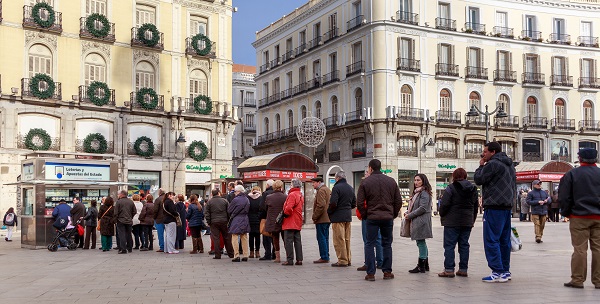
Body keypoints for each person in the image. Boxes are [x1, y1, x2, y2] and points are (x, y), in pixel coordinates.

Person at [474, 141, 516, 283]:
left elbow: (478, 179)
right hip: (506, 206)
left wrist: (480, 166)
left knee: (491, 239)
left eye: (485, 152)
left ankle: (497, 271)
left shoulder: (493, 164)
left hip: (494, 205)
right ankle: (505, 270)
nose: (483, 154)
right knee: (504, 240)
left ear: (493, 152)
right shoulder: (509, 165)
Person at [559, 148, 600, 289]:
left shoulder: (571, 174)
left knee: (579, 249)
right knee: (598, 249)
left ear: (580, 158)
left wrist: (566, 212)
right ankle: (598, 280)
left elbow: (564, 197)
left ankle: (577, 279)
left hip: (579, 216)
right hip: (599, 217)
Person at [357, 158, 402, 281]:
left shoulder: (365, 182)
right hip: (387, 217)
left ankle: (371, 273)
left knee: (369, 243)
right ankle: (387, 272)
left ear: (370, 168)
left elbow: (360, 202)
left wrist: (365, 214)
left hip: (372, 217)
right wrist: (392, 213)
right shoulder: (391, 181)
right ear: (380, 167)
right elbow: (398, 201)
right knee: (387, 244)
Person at [437, 168, 478, 278]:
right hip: (467, 221)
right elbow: (475, 206)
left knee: (449, 246)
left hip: (452, 221)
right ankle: (463, 269)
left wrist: (442, 214)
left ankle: (449, 269)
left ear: (454, 177)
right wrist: (472, 220)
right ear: (465, 176)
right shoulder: (473, 189)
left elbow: (444, 204)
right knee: (464, 245)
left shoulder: (451, 188)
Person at [405, 173, 434, 274]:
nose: (416, 182)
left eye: (418, 180)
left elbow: (423, 208)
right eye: (415, 180)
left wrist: (410, 215)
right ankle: (425, 265)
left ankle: (421, 266)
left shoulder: (424, 193)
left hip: (421, 221)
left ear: (423, 181)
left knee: (420, 242)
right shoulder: (418, 192)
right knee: (421, 242)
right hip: (418, 220)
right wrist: (408, 212)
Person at [328, 171, 356, 267]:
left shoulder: (336, 188)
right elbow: (354, 203)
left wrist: (329, 212)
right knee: (347, 239)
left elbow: (333, 203)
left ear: (337, 178)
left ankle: (342, 260)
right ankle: (348, 259)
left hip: (338, 217)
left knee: (339, 239)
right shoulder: (350, 188)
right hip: (348, 216)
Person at [281, 178, 304, 266]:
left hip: (290, 220)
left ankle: (289, 259)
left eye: (291, 184)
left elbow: (288, 208)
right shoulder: (300, 194)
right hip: (298, 220)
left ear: (293, 185)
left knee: (289, 241)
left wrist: (286, 214)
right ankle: (299, 259)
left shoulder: (292, 194)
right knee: (297, 240)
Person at [205, 188, 234, 259]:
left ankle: (217, 254)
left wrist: (209, 222)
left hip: (214, 222)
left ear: (212, 194)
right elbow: (229, 212)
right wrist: (228, 220)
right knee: (227, 238)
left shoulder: (209, 202)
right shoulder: (225, 201)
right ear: (219, 193)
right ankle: (231, 253)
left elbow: (206, 213)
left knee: (216, 238)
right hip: (224, 221)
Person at [264, 180, 287, 263]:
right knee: (285, 239)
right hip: (283, 220)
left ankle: (277, 257)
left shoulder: (269, 197)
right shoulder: (285, 196)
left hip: (273, 220)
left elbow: (265, 209)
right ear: (281, 187)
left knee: (275, 238)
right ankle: (288, 256)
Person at [311, 176, 331, 264]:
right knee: (325, 237)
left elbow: (321, 205)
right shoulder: (327, 189)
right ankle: (326, 255)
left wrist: (315, 216)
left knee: (321, 237)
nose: (312, 184)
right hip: (327, 218)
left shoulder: (321, 190)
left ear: (319, 182)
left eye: (314, 183)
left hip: (322, 218)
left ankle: (324, 256)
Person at [229, 185, 251, 262]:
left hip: (236, 219)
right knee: (244, 236)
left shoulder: (235, 200)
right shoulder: (247, 199)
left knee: (234, 236)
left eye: (235, 191)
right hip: (245, 218)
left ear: (238, 191)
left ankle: (236, 255)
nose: (234, 193)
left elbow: (229, 210)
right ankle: (245, 254)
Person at [114, 190, 136, 254]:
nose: (118, 195)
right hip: (129, 221)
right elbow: (134, 211)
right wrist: (130, 216)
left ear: (121, 194)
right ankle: (130, 248)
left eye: (119, 194)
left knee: (122, 235)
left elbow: (115, 213)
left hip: (120, 220)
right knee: (129, 234)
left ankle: (123, 249)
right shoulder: (131, 202)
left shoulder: (118, 202)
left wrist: (116, 219)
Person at [259, 179, 275, 261]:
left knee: (266, 236)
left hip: (266, 218)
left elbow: (262, 207)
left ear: (268, 185)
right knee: (274, 236)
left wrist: (261, 217)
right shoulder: (279, 193)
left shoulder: (266, 194)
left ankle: (267, 254)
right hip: (276, 218)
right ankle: (275, 253)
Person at [247, 186, 262, 258]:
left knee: (251, 236)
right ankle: (257, 252)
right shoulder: (261, 198)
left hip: (250, 219)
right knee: (257, 236)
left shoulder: (248, 198)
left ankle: (251, 252)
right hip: (258, 219)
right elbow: (262, 208)